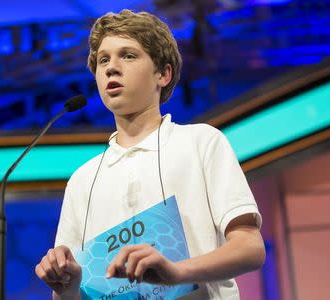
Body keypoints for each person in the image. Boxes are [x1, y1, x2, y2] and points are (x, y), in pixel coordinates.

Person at [35, 9, 265, 300]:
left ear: (163, 74)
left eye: (128, 56)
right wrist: (66, 286)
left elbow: (250, 247)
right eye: (103, 60)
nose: (111, 68)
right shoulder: (82, 181)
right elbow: (68, 296)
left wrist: (177, 272)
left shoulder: (201, 142)